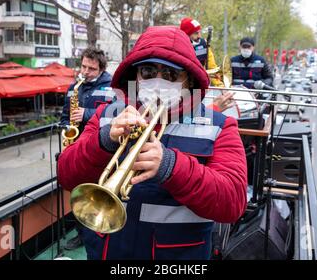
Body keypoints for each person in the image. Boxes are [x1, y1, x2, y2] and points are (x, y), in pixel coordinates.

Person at [57, 26, 248, 260]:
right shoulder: (107, 115)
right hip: (109, 252)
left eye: (170, 74)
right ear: (135, 75)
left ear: (188, 79)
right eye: (147, 71)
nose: (158, 81)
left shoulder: (220, 126)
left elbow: (233, 202)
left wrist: (171, 166)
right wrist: (104, 140)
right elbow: (66, 175)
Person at [60, 47, 114, 250]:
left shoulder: (112, 87)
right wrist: (66, 129)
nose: (86, 71)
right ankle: (81, 234)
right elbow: (64, 116)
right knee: (77, 194)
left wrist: (86, 114)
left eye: (91, 68)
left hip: (99, 151)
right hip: (76, 149)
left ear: (101, 68)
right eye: (83, 66)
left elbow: (113, 116)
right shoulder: (74, 87)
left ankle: (100, 231)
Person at [180, 17, 223, 87]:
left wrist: (221, 86)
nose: (199, 36)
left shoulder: (204, 45)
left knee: (197, 97)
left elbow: (212, 68)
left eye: (199, 32)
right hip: (183, 87)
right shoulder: (178, 47)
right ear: (186, 35)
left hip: (198, 85)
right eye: (196, 33)